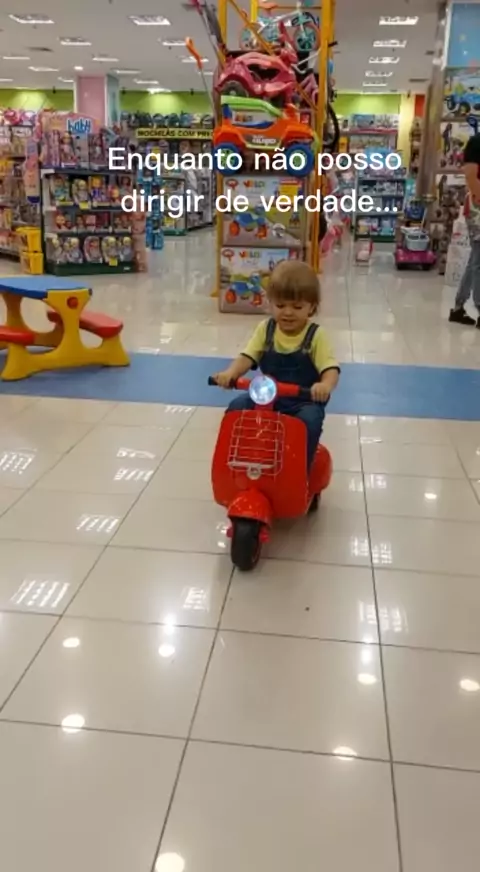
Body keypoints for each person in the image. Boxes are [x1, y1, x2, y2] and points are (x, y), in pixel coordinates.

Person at [213, 259, 340, 469]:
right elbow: (248, 356)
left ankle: (300, 471)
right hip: (267, 397)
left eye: (297, 307)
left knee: (309, 421)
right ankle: (238, 464)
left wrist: (324, 385)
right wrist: (231, 373)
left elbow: (330, 368)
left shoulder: (316, 336)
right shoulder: (266, 329)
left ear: (312, 307)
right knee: (237, 409)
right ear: (270, 303)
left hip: (303, 401)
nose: (288, 312)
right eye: (280, 305)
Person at [449, 131, 480, 326]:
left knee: (475, 259)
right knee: (478, 261)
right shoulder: (477, 142)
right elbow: (470, 174)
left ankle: (459, 307)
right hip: (478, 207)